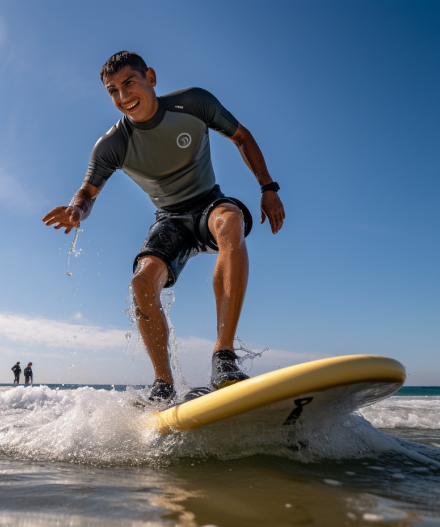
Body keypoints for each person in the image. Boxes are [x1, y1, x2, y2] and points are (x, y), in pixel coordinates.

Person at [42, 51, 284, 405]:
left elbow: (242, 137)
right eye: (113, 91)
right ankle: (164, 383)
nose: (123, 97)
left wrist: (268, 187)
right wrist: (77, 210)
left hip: (209, 204)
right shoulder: (113, 144)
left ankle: (224, 358)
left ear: (150, 78)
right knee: (141, 281)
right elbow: (87, 192)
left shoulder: (193, 104)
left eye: (129, 83)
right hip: (169, 219)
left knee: (231, 221)